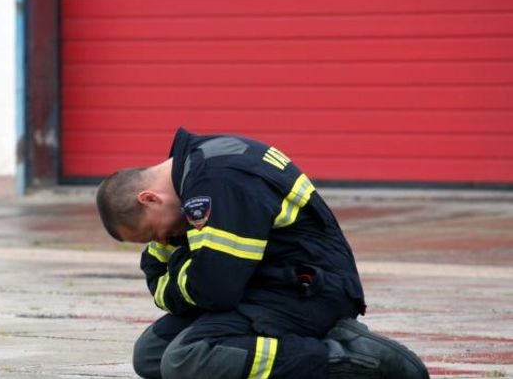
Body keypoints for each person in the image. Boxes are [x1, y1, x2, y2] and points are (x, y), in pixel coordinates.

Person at [96, 127, 429, 379]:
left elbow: (213, 290)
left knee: (186, 358)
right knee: (151, 354)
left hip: (308, 292)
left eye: (154, 233)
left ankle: (347, 360)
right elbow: (162, 275)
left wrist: (182, 272)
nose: (163, 241)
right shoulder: (194, 174)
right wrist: (187, 270)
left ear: (149, 198)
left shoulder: (216, 182)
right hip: (262, 287)